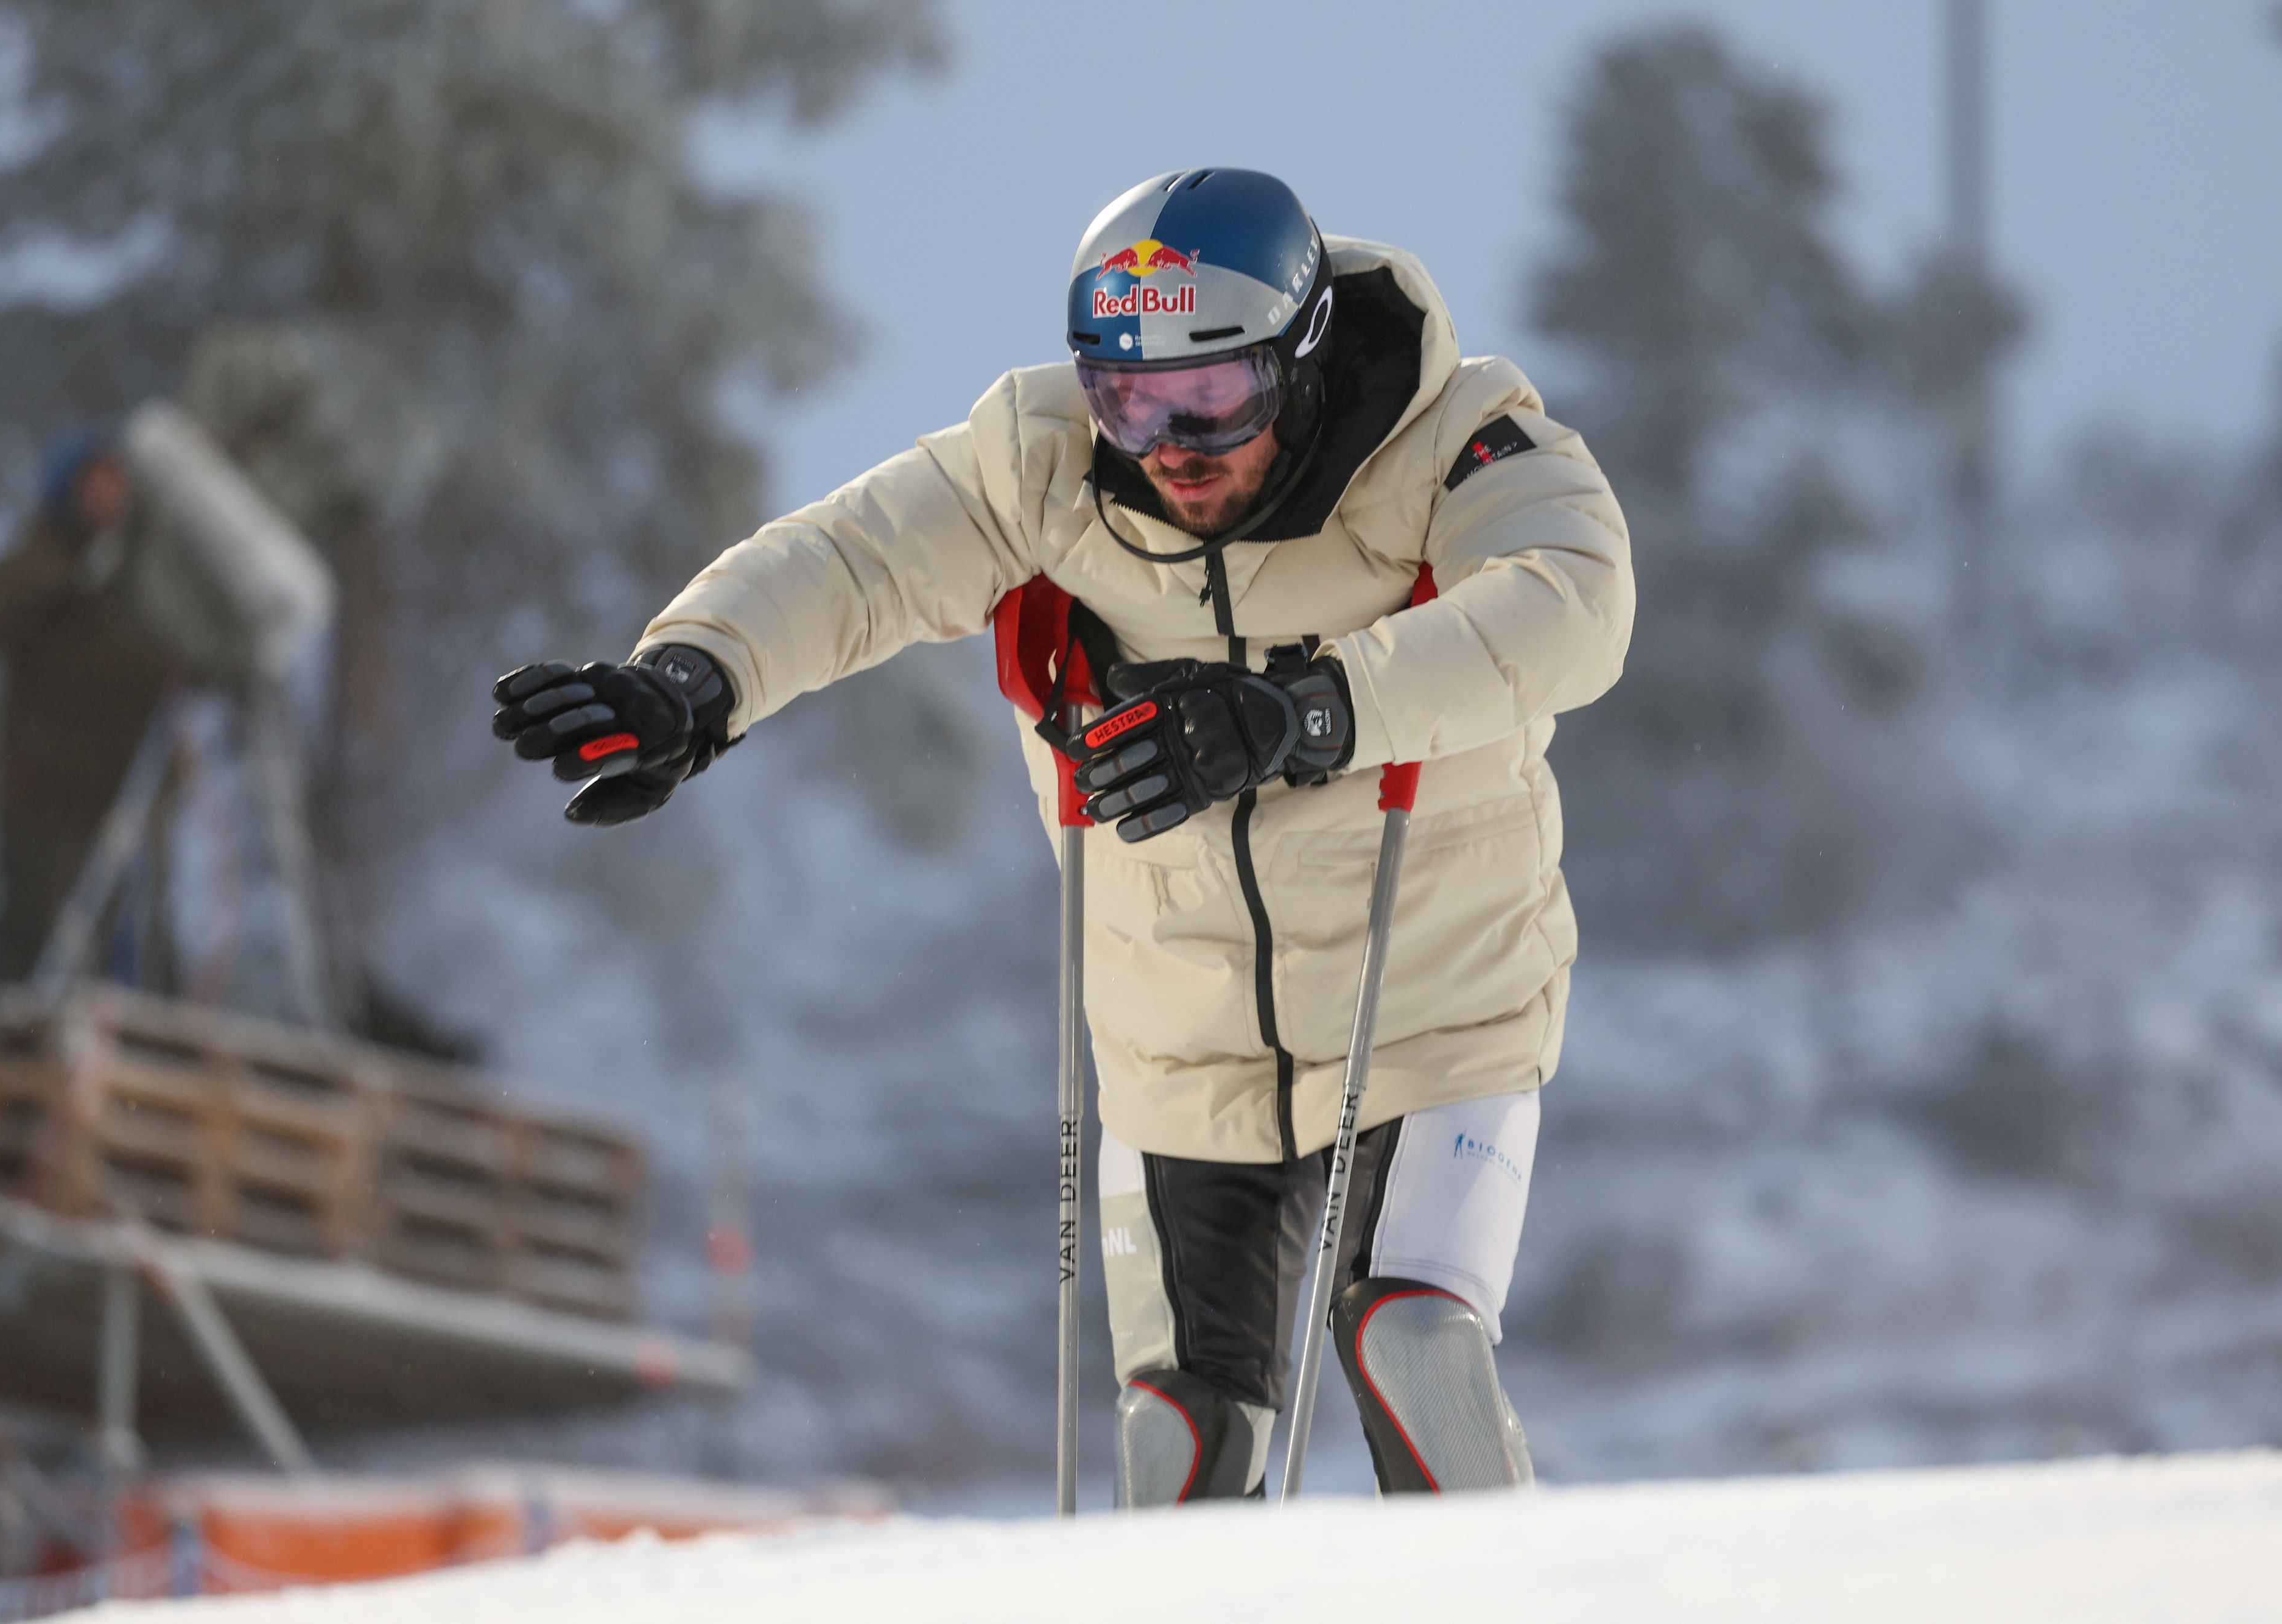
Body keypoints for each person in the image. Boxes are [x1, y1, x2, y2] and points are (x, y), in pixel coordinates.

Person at [494, 170, 1634, 1502]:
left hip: (1431, 1006)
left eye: (1214, 396)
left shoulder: (1453, 438)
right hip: (1176, 1038)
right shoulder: (1038, 464)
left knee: (1414, 1348)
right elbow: (849, 561)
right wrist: (692, 680)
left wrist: (1311, 711)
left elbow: (1573, 600)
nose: (1171, 444)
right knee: (1180, 1447)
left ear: (1306, 351)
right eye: (1129, 396)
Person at [0, 432, 177, 986]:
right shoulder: (37, 561)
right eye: (94, 484)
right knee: (36, 944)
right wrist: (63, 577)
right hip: (44, 799)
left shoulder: (147, 576)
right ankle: (13, 1053)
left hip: (130, 800)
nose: (108, 497)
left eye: (117, 484)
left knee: (136, 946)